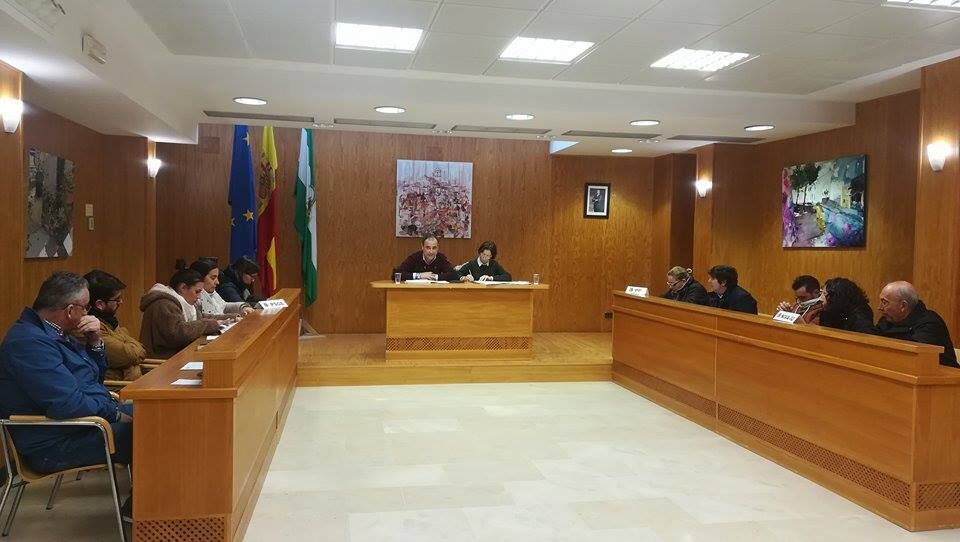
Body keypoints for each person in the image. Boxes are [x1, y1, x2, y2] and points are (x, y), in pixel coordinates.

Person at [0, 272, 133, 514]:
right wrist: (113, 414)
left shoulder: (57, 333)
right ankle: (143, 510)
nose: (89, 314)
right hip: (52, 443)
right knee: (150, 431)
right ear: (71, 311)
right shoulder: (29, 343)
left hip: (80, 424)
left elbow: (92, 380)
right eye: (86, 308)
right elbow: (69, 404)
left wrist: (95, 342)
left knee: (156, 414)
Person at [139, 268, 220, 358]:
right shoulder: (163, 304)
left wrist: (226, 319)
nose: (199, 297)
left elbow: (200, 317)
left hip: (176, 355)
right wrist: (209, 324)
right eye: (197, 292)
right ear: (183, 288)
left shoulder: (183, 302)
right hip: (162, 360)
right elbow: (177, 333)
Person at [877, 281, 958, 368]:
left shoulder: (930, 323)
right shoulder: (887, 320)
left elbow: (914, 356)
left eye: (884, 303)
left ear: (903, 306)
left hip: (941, 374)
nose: (879, 307)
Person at [84, 269, 146, 381]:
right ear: (100, 304)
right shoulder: (92, 328)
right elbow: (129, 355)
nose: (121, 302)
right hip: (117, 388)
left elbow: (139, 349)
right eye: (117, 299)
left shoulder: (110, 321)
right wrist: (132, 358)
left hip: (130, 384)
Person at [188, 259, 255, 318]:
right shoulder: (194, 296)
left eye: (217, 278)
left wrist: (243, 307)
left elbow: (224, 306)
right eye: (213, 278)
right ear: (199, 278)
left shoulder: (211, 292)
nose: (217, 282)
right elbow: (207, 318)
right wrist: (233, 317)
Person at [394, 235, 458, 281]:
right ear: (422, 247)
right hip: (415, 291)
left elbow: (454, 275)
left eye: (434, 248)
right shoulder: (414, 257)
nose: (431, 251)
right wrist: (419, 276)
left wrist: (433, 277)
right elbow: (396, 274)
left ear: (438, 248)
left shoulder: (441, 258)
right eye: (428, 248)